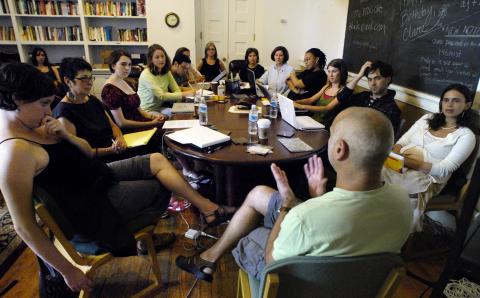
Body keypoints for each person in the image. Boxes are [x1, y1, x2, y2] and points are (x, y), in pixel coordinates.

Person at [0, 63, 236, 293]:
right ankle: (155, 230)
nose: (48, 112)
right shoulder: (14, 153)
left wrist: (66, 135)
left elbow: (84, 150)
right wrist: (67, 270)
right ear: (17, 100)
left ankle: (208, 208)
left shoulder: (32, 124)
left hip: (95, 176)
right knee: (161, 185)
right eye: (43, 104)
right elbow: (24, 226)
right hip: (92, 205)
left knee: (156, 159)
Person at [176, 107, 413, 281]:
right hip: (359, 284)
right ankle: (208, 256)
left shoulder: (304, 217)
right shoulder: (404, 203)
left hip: (301, 287)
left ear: (339, 149)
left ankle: (211, 258)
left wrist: (287, 206)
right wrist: (318, 199)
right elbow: (341, 225)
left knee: (251, 234)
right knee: (259, 194)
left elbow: (272, 260)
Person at [383, 84, 477, 231]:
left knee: (399, 192)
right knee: (370, 174)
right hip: (399, 163)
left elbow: (444, 169)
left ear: (467, 105)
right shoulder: (428, 118)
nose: (449, 104)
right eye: (446, 100)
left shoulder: (466, 135)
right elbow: (402, 142)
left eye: (456, 100)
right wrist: (394, 157)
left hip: (427, 177)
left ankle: (394, 233)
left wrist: (405, 161)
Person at [102, 50, 166, 132]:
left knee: (169, 126)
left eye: (129, 64)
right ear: (113, 65)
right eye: (123, 64)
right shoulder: (109, 90)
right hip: (132, 132)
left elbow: (141, 112)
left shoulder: (125, 82)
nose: (127, 68)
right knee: (167, 134)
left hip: (142, 123)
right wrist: (152, 124)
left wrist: (153, 117)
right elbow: (121, 123)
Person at [336, 60, 401, 135]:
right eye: (370, 79)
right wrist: (359, 75)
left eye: (377, 78)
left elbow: (388, 139)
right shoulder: (363, 96)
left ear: (388, 79)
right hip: (347, 134)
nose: (372, 83)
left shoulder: (392, 109)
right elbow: (341, 98)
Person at [137, 44, 193, 115]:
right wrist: (184, 94)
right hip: (146, 111)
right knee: (171, 117)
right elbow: (162, 95)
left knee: (183, 113)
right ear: (151, 59)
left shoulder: (166, 72)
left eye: (162, 56)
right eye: (157, 57)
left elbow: (176, 89)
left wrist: (178, 106)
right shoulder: (146, 74)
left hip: (159, 108)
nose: (161, 59)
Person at [293, 58, 347, 126]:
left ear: (341, 72)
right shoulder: (326, 87)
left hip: (325, 126)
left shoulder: (343, 91)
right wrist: (294, 102)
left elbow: (326, 108)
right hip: (313, 121)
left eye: (334, 71)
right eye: (329, 71)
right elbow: (310, 100)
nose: (330, 75)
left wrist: (301, 106)